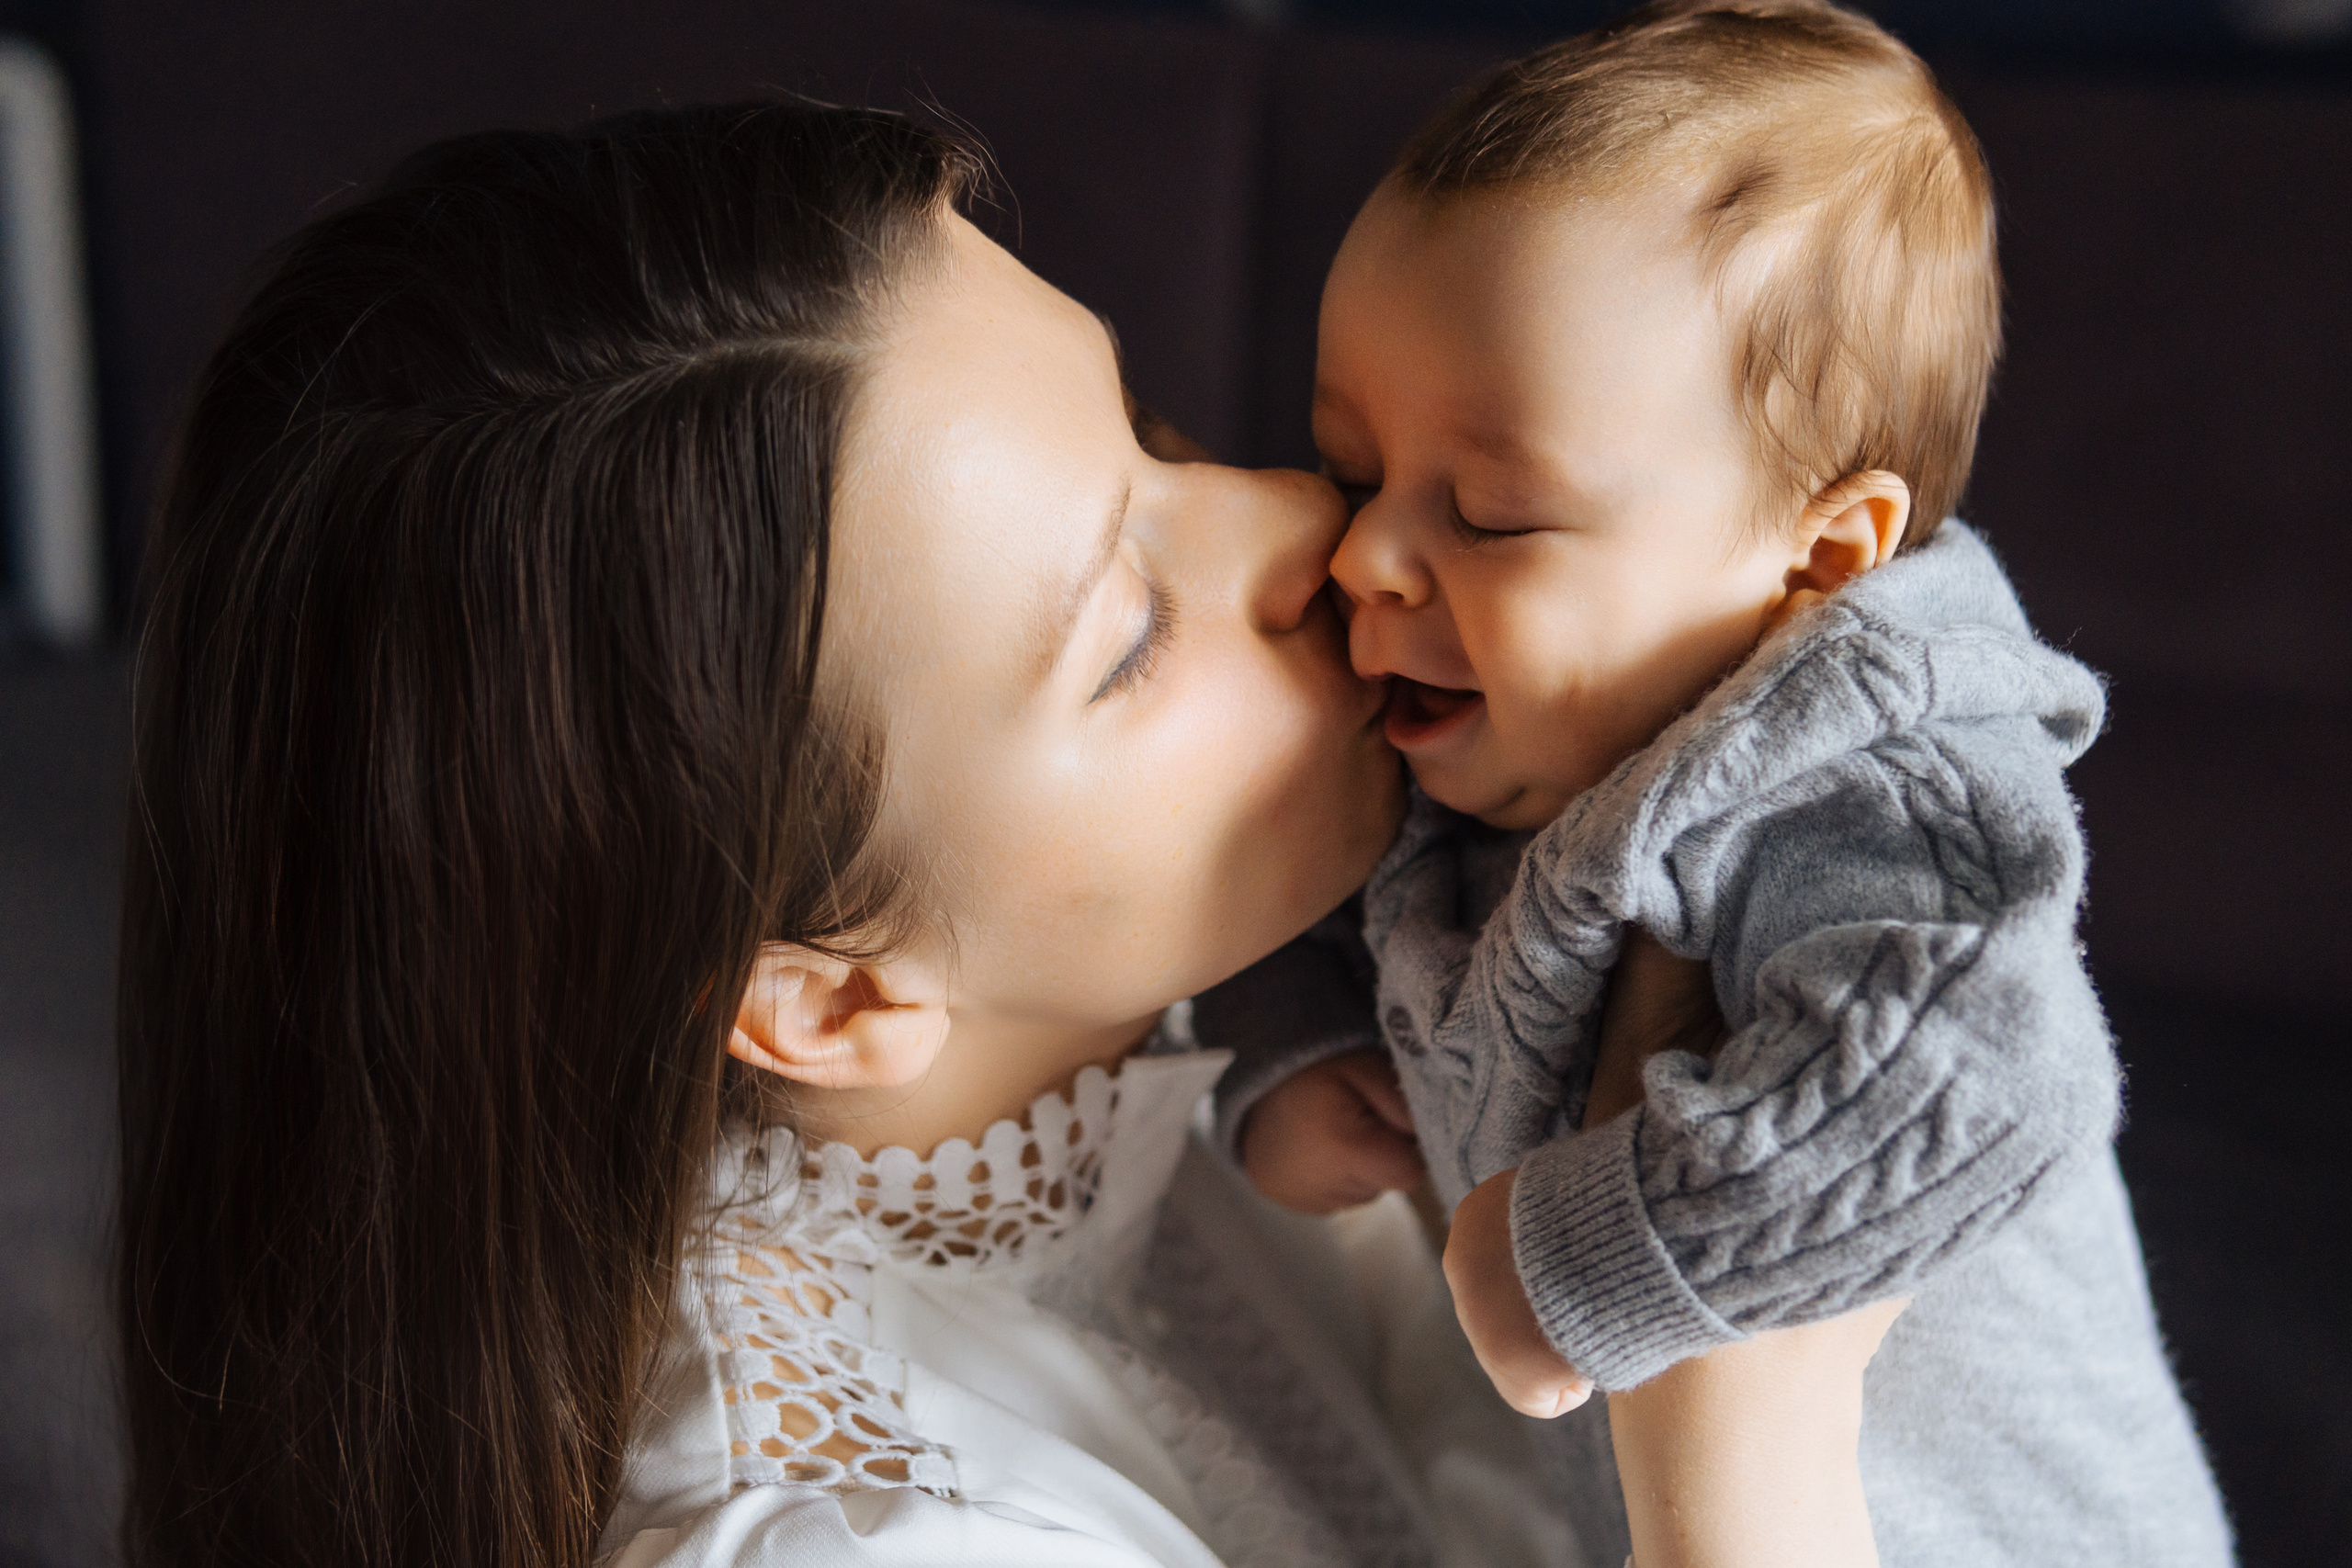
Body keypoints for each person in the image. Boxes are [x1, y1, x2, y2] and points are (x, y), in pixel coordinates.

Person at [115, 99, 1894, 1568]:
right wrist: (1744, 1457)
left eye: (1147, 431)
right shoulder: (862, 1536)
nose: (1304, 521)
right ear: (820, 998)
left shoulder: (1121, 1092)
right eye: (1122, 631)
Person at [1203, 4, 2233, 1564]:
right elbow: (1344, 860)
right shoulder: (1508, 708)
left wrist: (1594, 1253)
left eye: (1488, 511)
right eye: (1351, 472)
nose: (1365, 556)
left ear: (1815, 562)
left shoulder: (1856, 775)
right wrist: (1305, 1041)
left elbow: (1991, 1071)